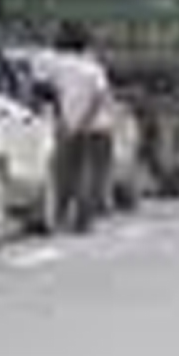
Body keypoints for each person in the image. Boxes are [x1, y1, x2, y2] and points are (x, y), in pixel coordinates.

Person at [42, 22, 114, 235]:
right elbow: (101, 97)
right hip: (97, 127)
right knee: (90, 174)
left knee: (69, 173)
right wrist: (86, 121)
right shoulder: (93, 68)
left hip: (71, 125)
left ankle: (67, 216)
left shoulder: (57, 66)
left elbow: (51, 92)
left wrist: (65, 120)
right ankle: (83, 219)